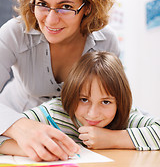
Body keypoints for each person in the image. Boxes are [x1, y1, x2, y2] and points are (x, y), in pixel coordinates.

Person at [0, 0, 120, 162]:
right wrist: (19, 127)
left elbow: (112, 101)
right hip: (12, 133)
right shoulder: (14, 32)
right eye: (42, 4)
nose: (51, 20)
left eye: (65, 6)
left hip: (72, 144)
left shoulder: (106, 41)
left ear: (88, 7)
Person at [1, 52, 159, 158]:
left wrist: (113, 139)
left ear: (120, 101)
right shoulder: (53, 113)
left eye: (106, 102)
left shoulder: (125, 116)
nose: (93, 113)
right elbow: (5, 131)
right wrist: (36, 149)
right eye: (84, 99)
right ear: (71, 94)